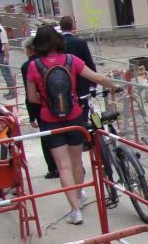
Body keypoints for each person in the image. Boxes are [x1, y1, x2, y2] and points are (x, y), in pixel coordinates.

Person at [25, 25, 121, 225]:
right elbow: (97, 77)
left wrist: (47, 100)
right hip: (74, 116)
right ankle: (79, 194)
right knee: (77, 162)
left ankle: (75, 210)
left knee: (63, 166)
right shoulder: (71, 60)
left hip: (50, 120)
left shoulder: (34, 66)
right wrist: (115, 86)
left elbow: (31, 98)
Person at [20, 33, 59, 180]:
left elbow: (29, 92)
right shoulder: (49, 60)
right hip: (57, 102)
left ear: (30, 49)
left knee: (46, 137)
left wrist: (31, 115)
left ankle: (53, 167)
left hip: (40, 105)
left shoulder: (28, 66)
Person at [59, 14, 97, 111]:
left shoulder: (56, 43)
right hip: (81, 80)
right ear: (72, 27)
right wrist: (93, 83)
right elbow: (89, 62)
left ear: (61, 27)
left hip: (62, 82)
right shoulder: (80, 42)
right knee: (83, 109)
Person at [0, 13, 16, 99]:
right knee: (4, 73)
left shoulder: (1, 31)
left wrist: (6, 56)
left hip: (2, 54)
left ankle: (13, 92)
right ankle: (10, 90)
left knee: (7, 73)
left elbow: (5, 44)